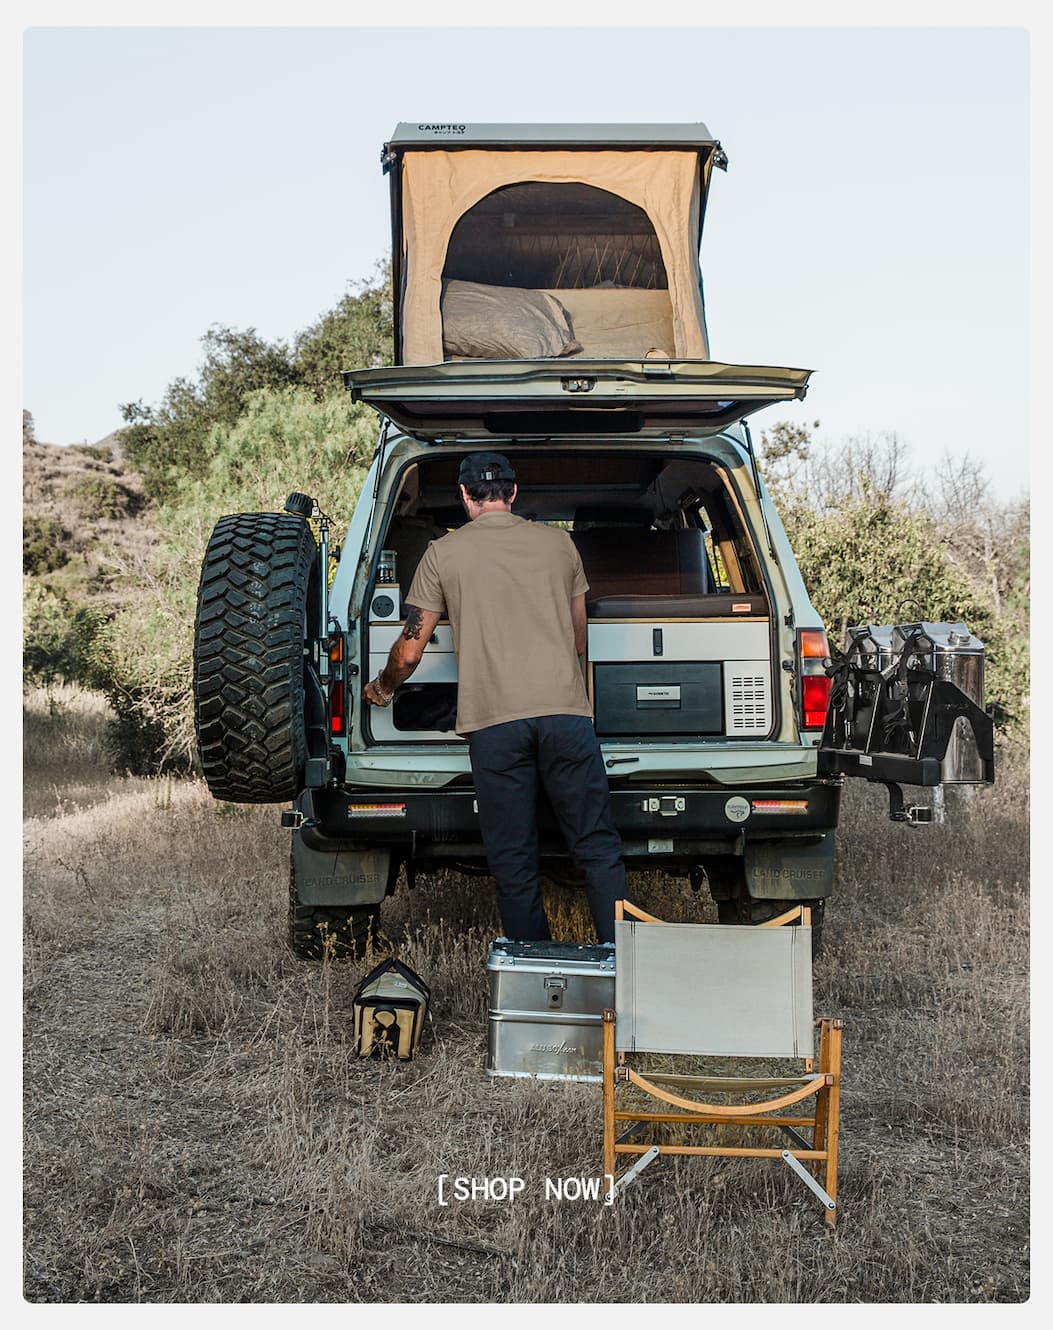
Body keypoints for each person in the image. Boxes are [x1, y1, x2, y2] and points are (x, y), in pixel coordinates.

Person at [363, 452, 627, 944]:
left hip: (495, 726)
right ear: (514, 491)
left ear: (464, 496)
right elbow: (579, 638)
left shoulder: (444, 553)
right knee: (596, 847)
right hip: (566, 716)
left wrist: (382, 688)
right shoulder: (559, 544)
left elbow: (410, 651)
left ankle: (535, 968)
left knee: (513, 859)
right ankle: (625, 962)